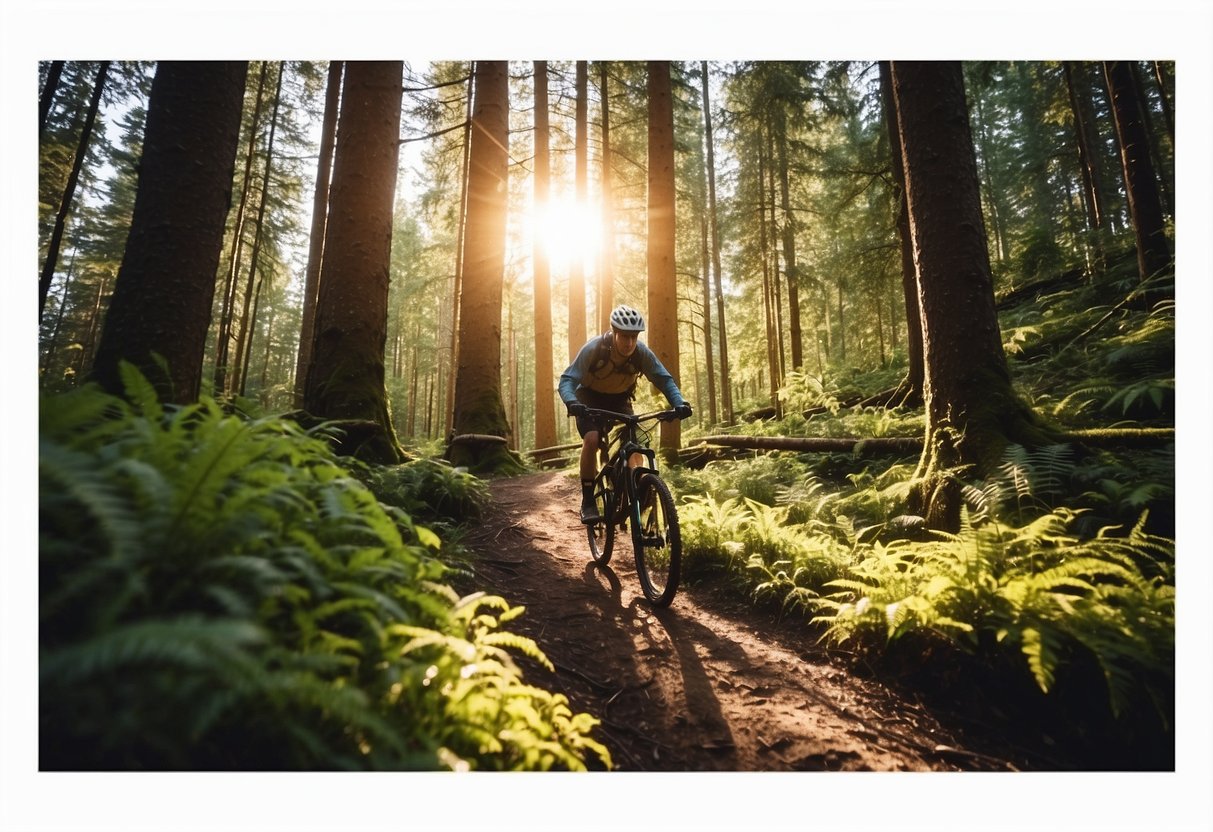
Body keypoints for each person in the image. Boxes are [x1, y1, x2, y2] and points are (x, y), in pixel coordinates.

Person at [558, 304, 692, 523]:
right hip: (588, 398)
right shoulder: (594, 349)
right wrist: (572, 402)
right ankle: (588, 500)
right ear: (614, 333)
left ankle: (637, 485)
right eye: (624, 337)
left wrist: (679, 403)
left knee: (634, 443)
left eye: (634, 337)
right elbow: (568, 379)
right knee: (591, 439)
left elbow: (663, 378)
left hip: (620, 399)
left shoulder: (641, 353)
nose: (630, 343)